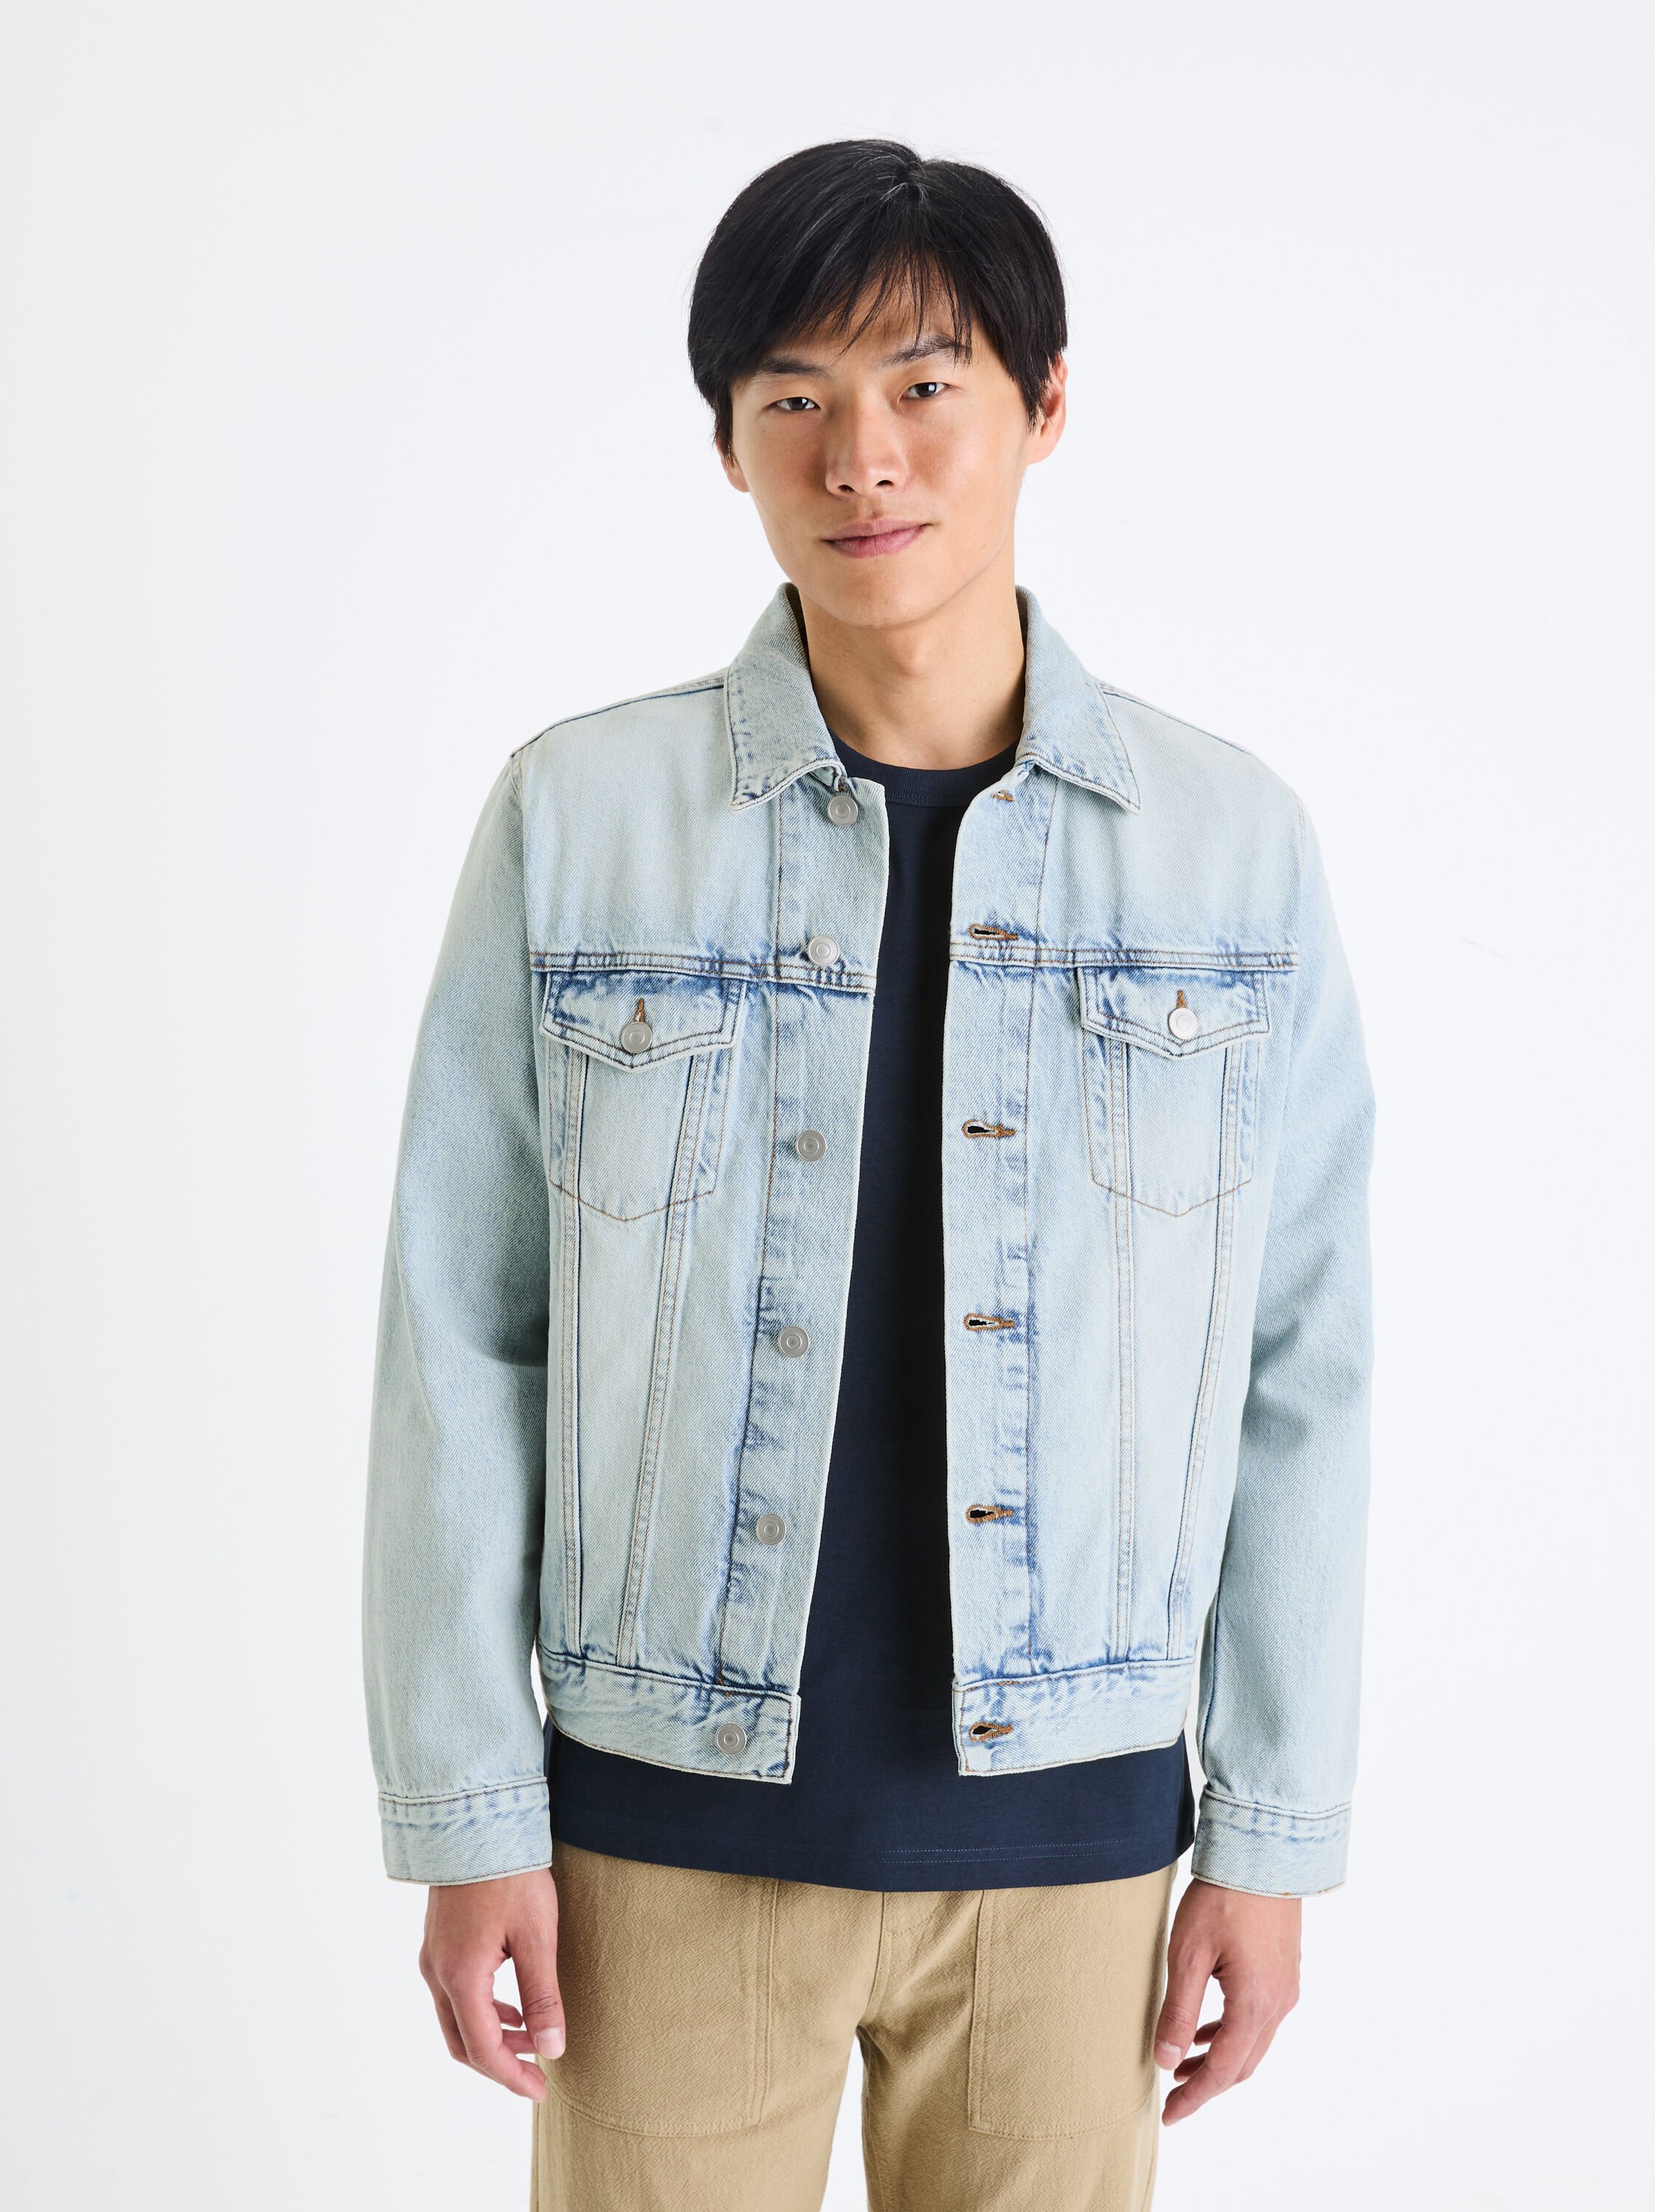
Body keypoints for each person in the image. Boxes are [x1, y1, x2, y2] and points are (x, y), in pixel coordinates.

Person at [362, 138, 1373, 2211]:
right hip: (663, 1834)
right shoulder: (581, 819)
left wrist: (1269, 1839)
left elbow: (1304, 1364)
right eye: (794, 397)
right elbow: (462, 1329)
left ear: (1045, 403)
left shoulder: (1228, 848)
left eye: (926, 385)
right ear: (728, 442)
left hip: (1075, 1852)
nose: (863, 457)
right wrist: (469, 1812)